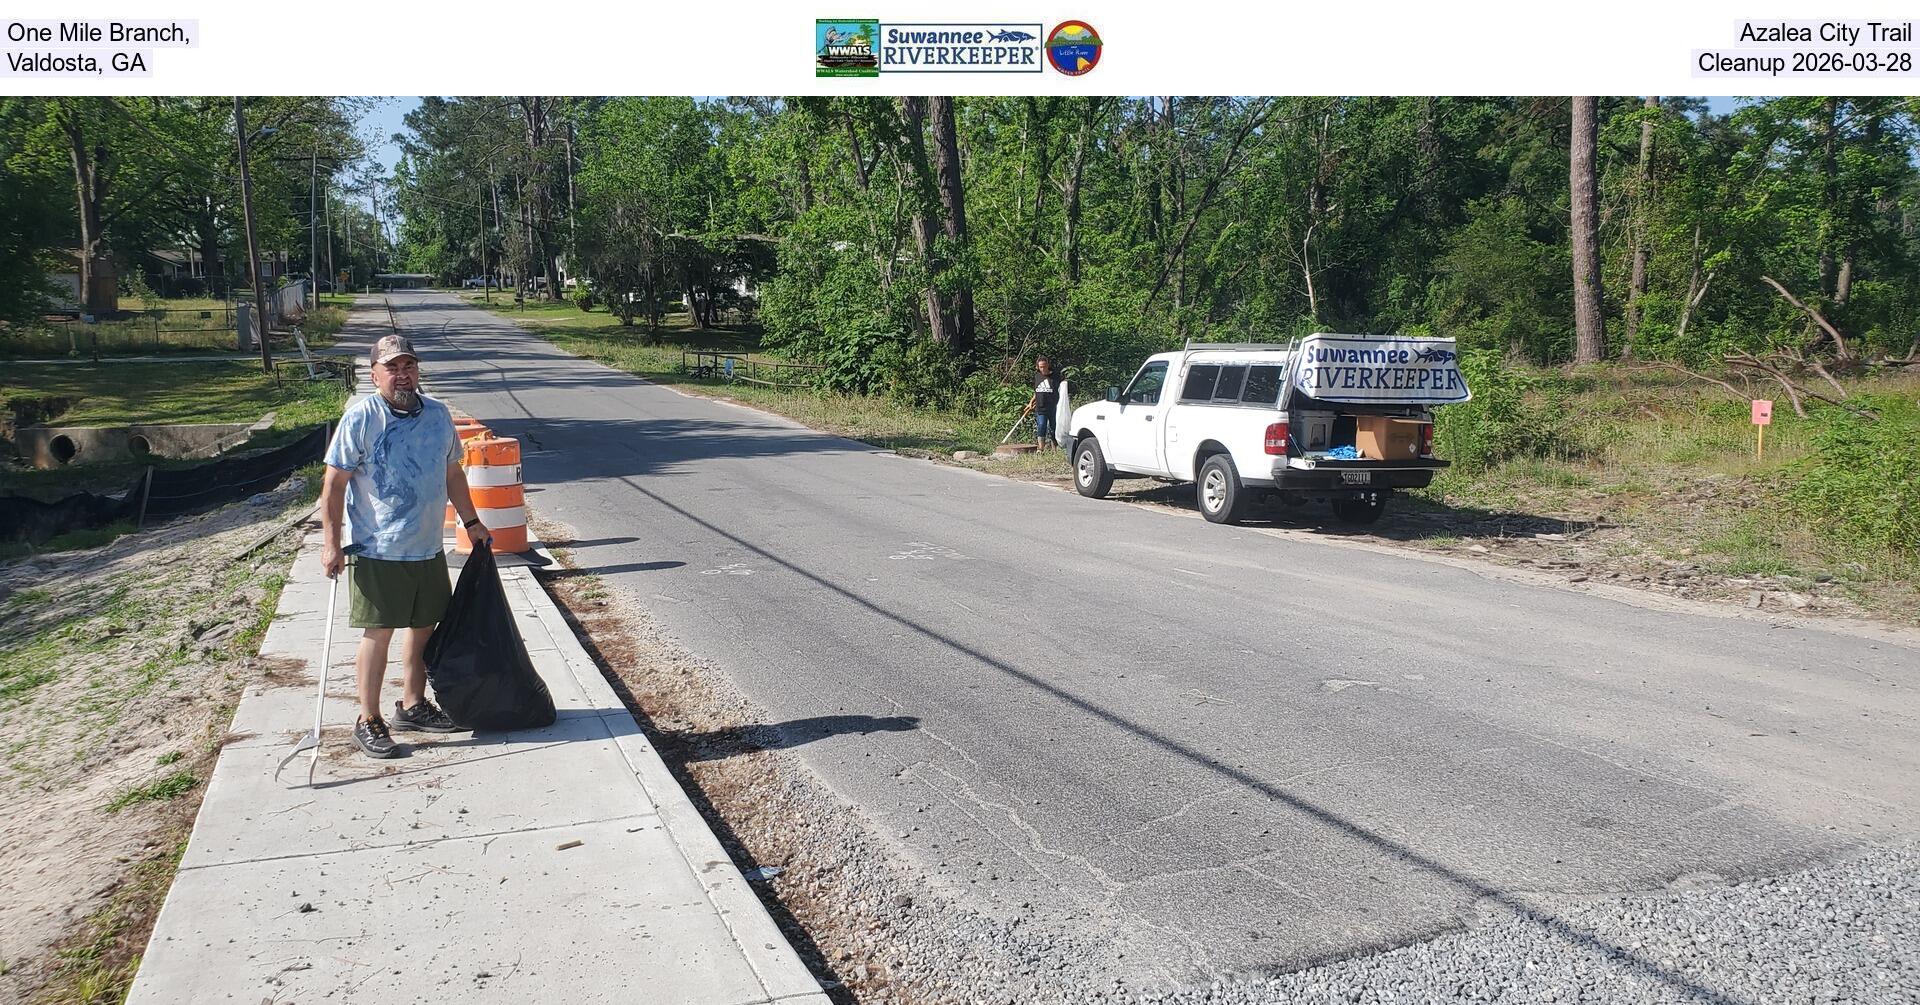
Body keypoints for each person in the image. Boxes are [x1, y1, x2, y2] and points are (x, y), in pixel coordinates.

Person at [321, 335, 493, 758]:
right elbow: (333, 484)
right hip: (377, 548)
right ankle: (367, 718)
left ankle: (413, 705)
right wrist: (331, 544)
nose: (402, 375)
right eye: (393, 367)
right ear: (374, 373)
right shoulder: (362, 418)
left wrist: (471, 522)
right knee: (378, 632)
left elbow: (453, 473)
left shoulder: (437, 415)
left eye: (409, 366)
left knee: (424, 627)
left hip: (427, 547)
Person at [1021, 355, 1065, 450]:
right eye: (1040, 367)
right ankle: (1041, 449)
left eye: (1044, 366)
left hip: (1053, 407)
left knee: (1053, 428)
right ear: (1037, 367)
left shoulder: (1056, 377)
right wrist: (1030, 402)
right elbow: (1037, 391)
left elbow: (1062, 390)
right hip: (1040, 407)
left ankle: (1055, 448)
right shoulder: (1037, 376)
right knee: (1041, 426)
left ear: (1048, 365)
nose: (1043, 369)